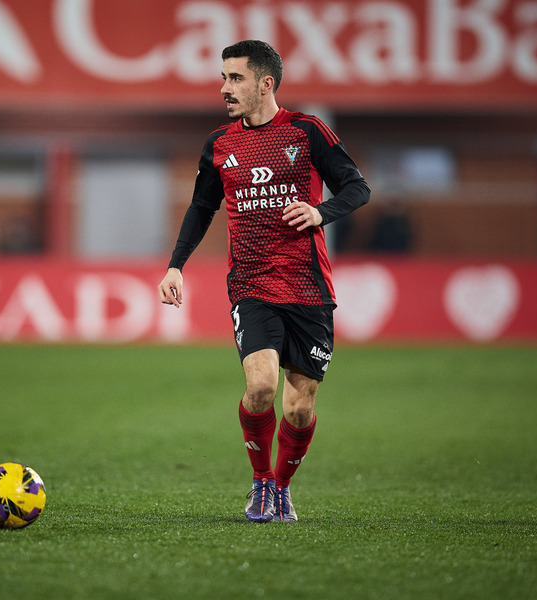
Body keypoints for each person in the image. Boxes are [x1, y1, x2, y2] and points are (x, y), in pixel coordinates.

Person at [157, 40, 370, 523]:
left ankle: (283, 486)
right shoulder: (220, 143)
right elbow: (201, 207)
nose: (224, 88)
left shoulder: (306, 130)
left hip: (308, 289)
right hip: (251, 285)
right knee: (259, 387)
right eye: (223, 78)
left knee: (299, 407)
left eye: (235, 79)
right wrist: (176, 265)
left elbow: (357, 187)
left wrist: (320, 210)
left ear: (265, 83)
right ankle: (260, 482)